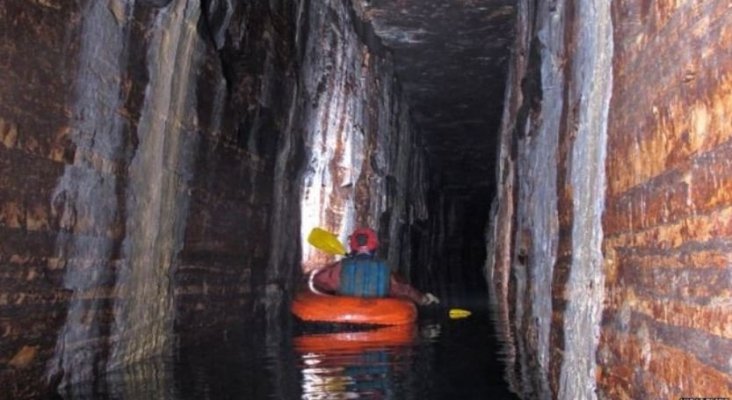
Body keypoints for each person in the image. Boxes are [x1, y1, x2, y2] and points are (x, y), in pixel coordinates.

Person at [310, 227, 440, 306]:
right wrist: (423, 299)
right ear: (375, 245)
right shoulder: (385, 269)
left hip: (344, 315)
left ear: (352, 245)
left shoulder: (341, 267)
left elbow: (318, 281)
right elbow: (403, 290)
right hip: (378, 317)